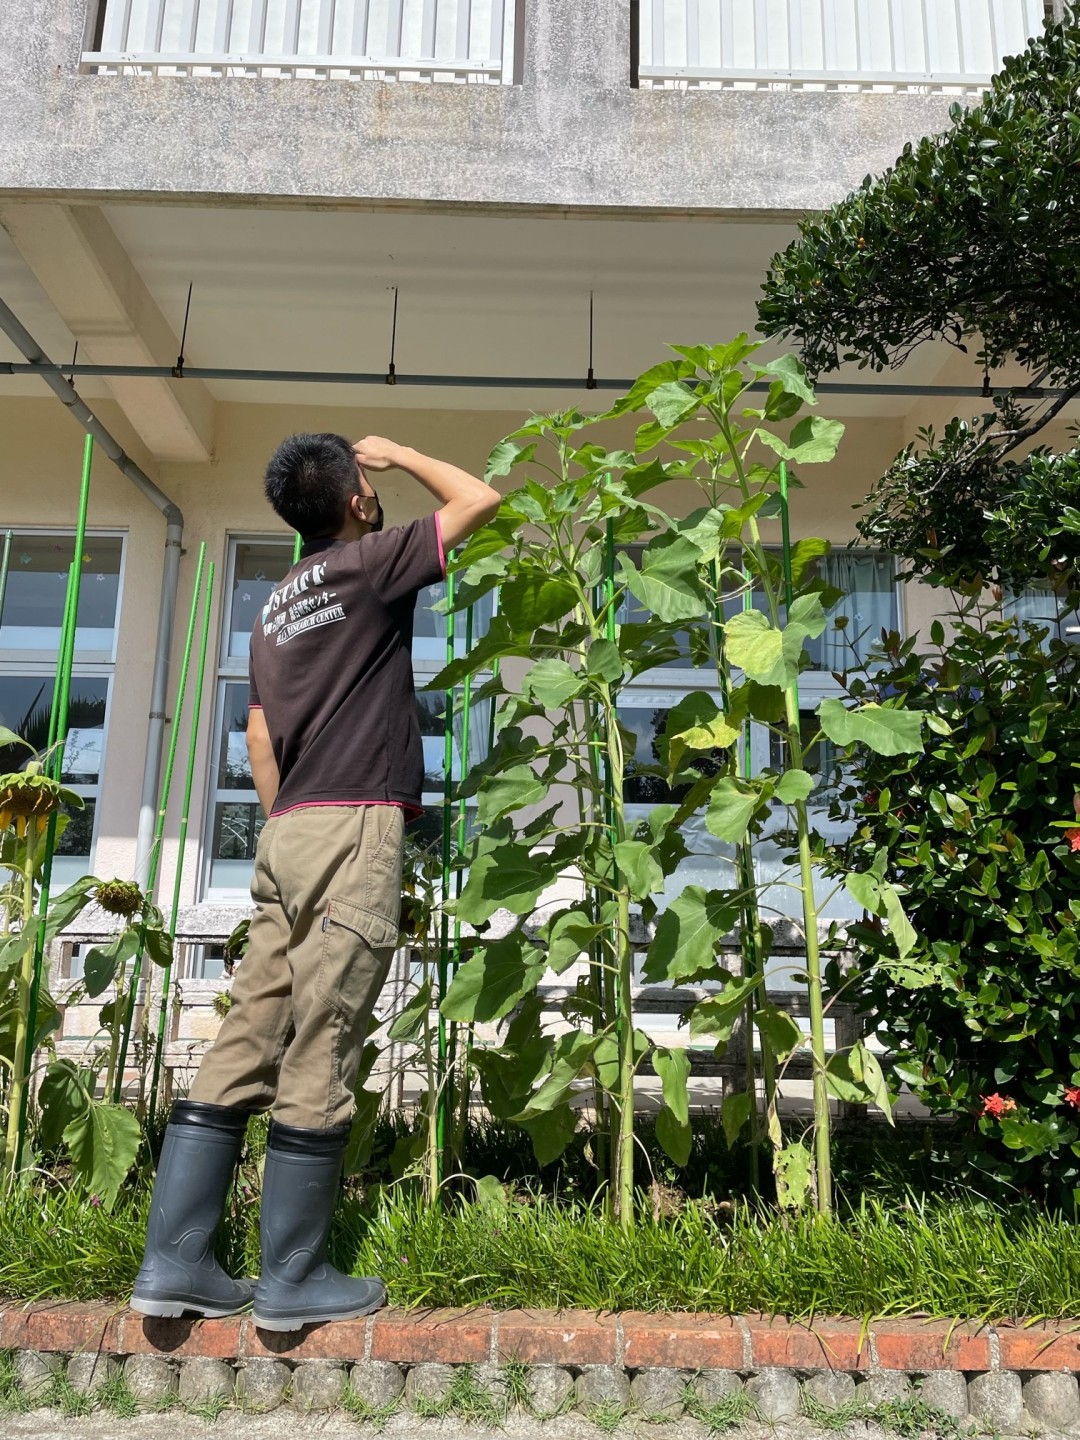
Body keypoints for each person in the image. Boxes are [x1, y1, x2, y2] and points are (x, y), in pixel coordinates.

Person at [132, 433, 499, 1330]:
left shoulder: (271, 607)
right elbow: (481, 500)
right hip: (351, 822)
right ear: (358, 503)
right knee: (324, 1036)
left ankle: (174, 1262)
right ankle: (292, 1281)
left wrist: (285, 821)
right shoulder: (371, 565)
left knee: (248, 1028)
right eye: (367, 485)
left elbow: (258, 735)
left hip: (288, 826)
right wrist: (406, 451)